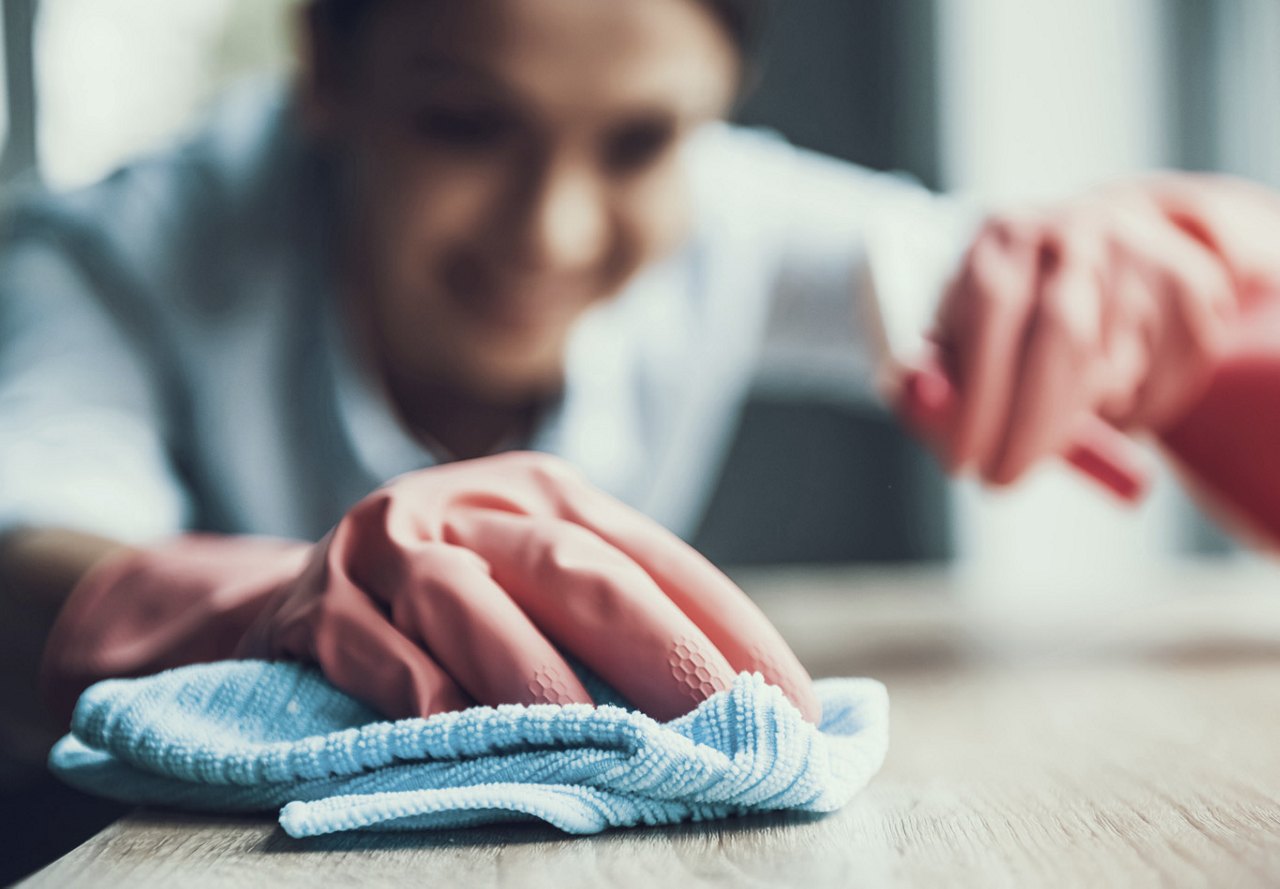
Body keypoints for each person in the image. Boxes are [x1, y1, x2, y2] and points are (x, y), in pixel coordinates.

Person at [2, 0, 1278, 740]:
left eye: (640, 141)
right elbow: (21, 562)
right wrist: (272, 604)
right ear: (328, 70)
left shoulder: (723, 215)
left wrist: (1179, 290)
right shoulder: (118, 254)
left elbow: (1083, 304)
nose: (551, 228)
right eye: (462, 124)